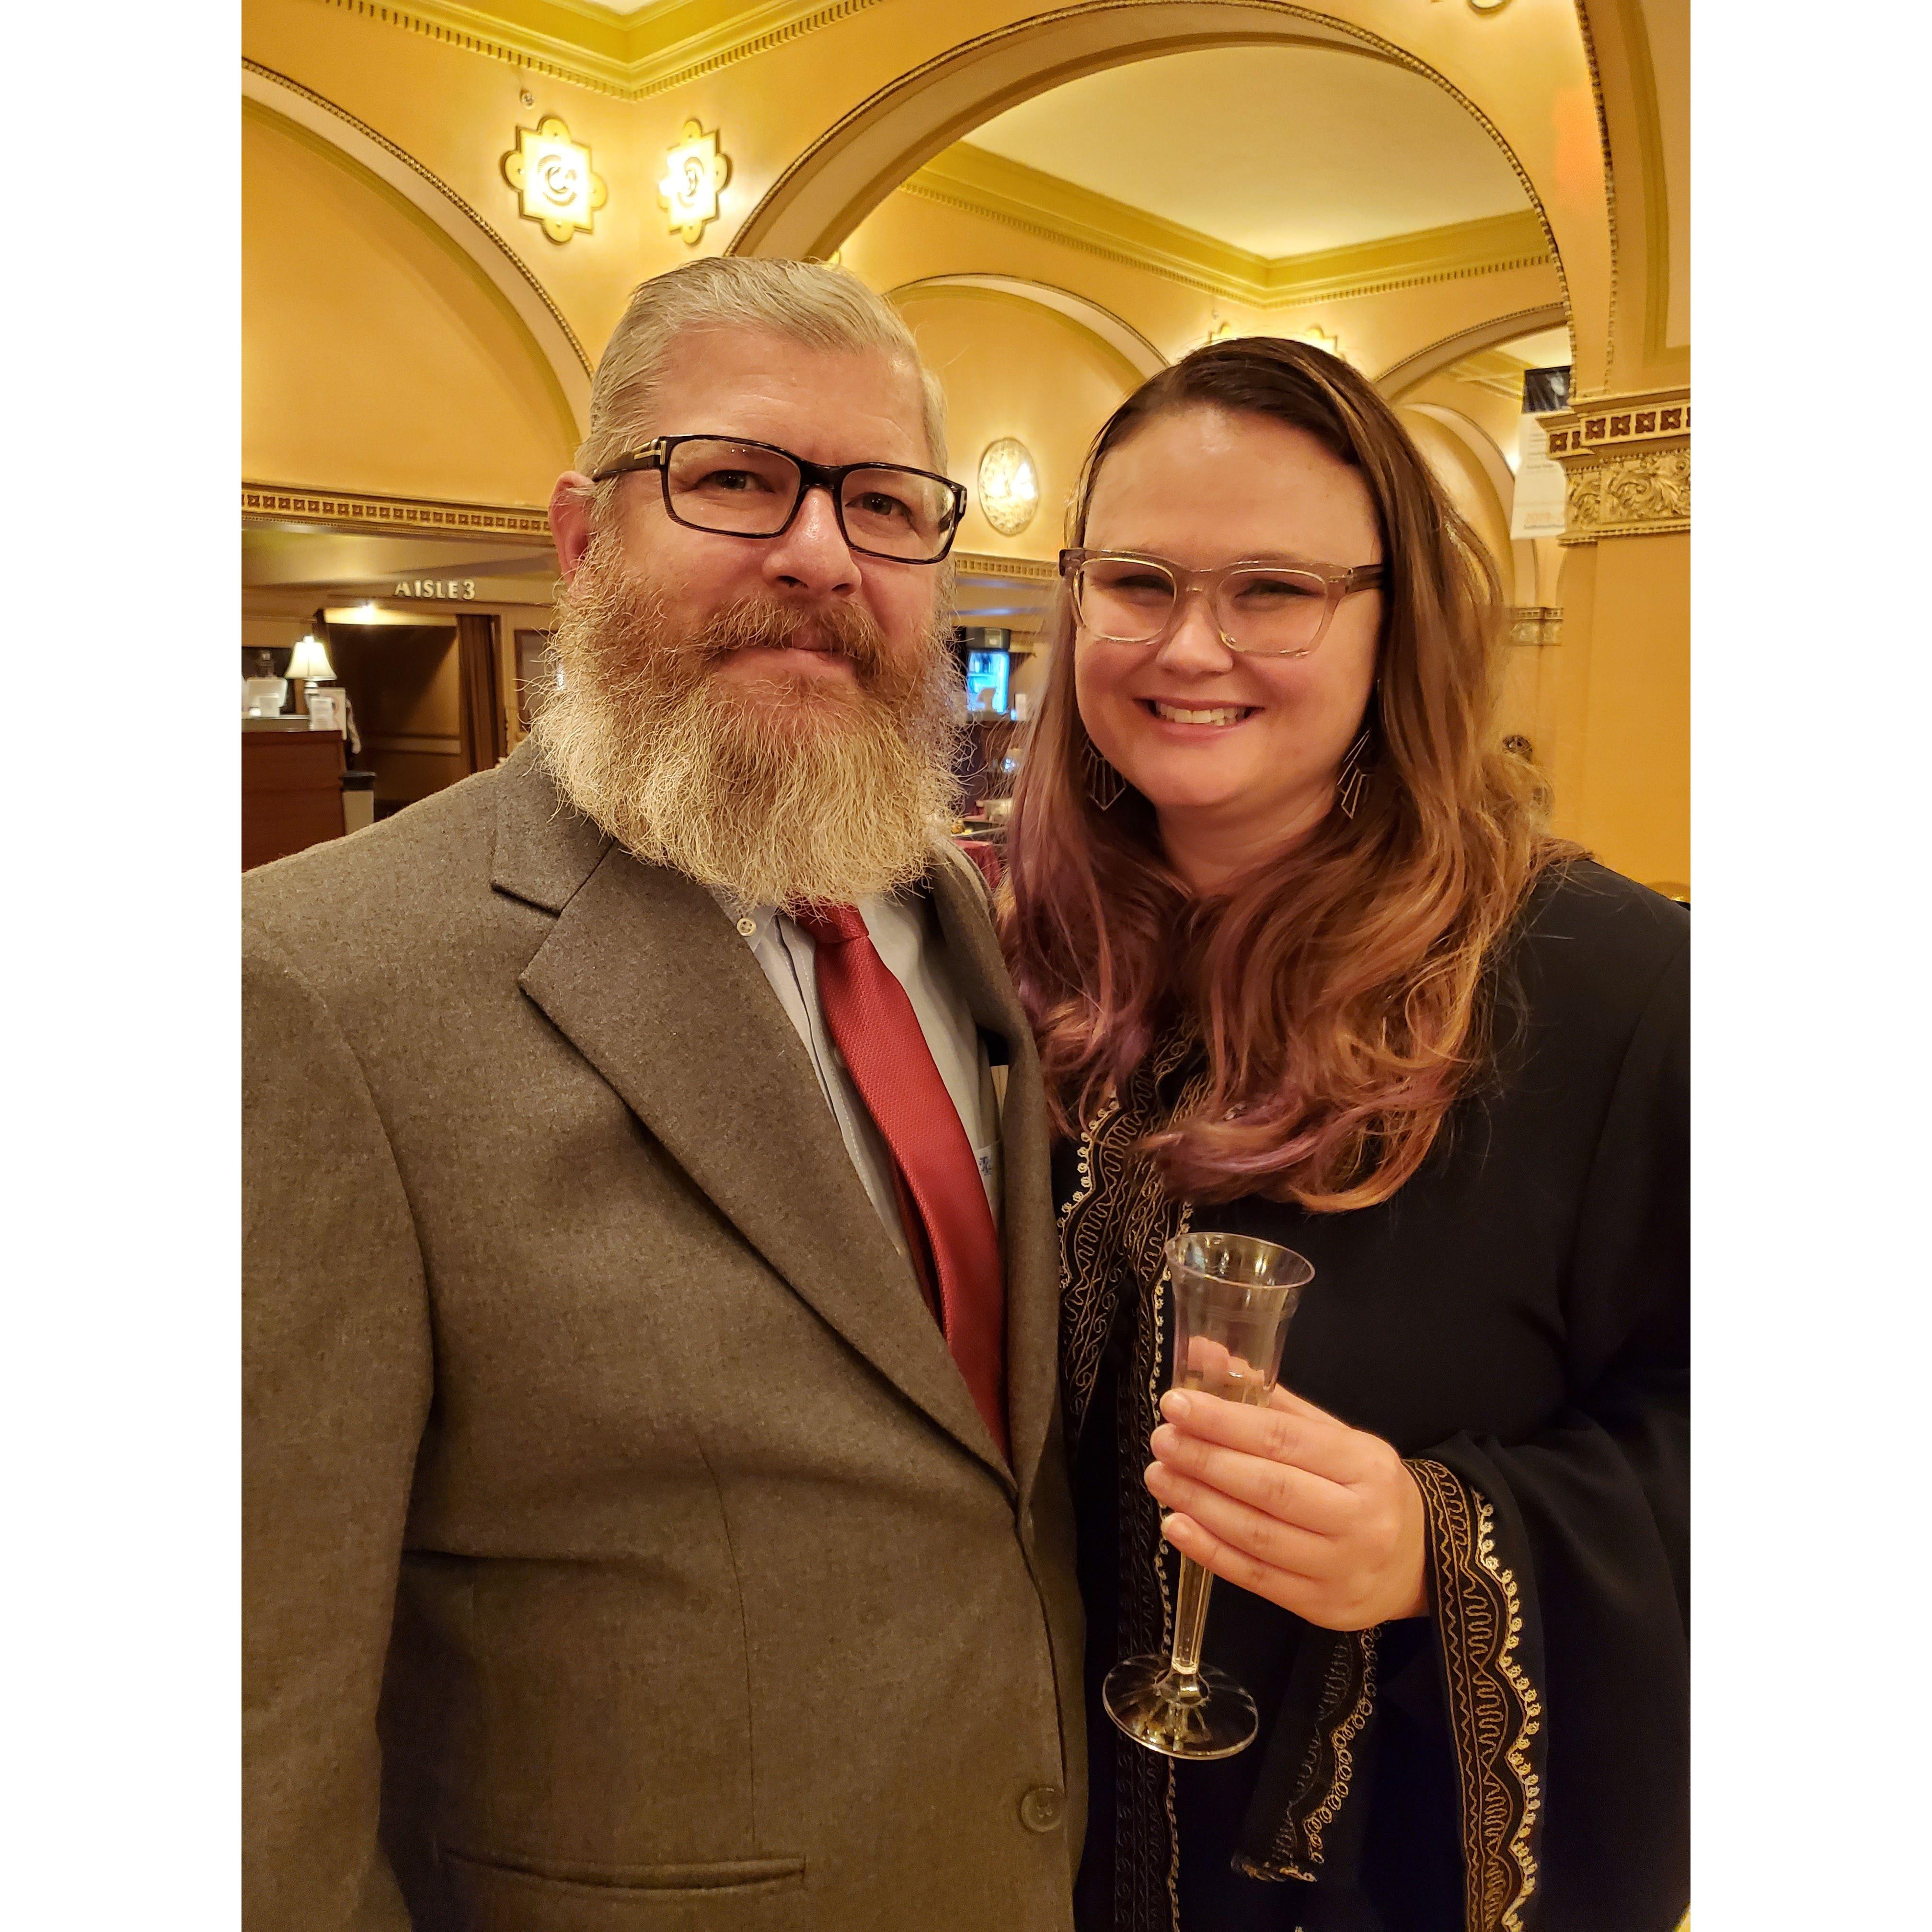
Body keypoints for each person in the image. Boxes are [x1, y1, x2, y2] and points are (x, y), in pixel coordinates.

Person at [243, 258, 1084, 1932]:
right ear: (580, 538)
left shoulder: (949, 910)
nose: (822, 553)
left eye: (888, 505)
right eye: (734, 480)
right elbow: (251, 1723)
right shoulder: (315, 986)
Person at [1000, 339, 1687, 1932]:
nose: (1191, 645)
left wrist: (1437, 1539)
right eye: (1140, 580)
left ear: (1397, 622)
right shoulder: (1022, 954)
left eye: (1273, 592)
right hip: (1032, 1841)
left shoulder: (1599, 984)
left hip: (1360, 1866)